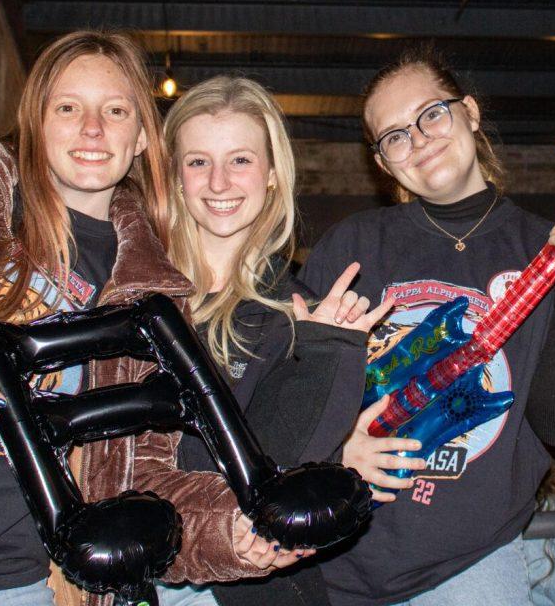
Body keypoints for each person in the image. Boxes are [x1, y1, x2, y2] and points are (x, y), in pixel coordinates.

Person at [0, 31, 281, 604]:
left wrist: (232, 533)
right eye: (68, 107)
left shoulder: (149, 295)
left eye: (116, 111)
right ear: (34, 120)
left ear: (144, 136)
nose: (92, 129)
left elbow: (134, 480)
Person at [298, 47, 555, 606]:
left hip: (470, 568)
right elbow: (292, 398)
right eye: (393, 135)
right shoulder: (353, 246)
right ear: (382, 161)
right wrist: (340, 443)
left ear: (469, 111)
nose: (417, 140)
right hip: (339, 564)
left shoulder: (551, 249)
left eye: (431, 114)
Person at [154, 76, 389, 606]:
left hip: (243, 587)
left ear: (273, 177)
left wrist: (332, 357)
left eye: (240, 160)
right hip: (132, 572)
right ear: (173, 177)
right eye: (197, 162)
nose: (218, 182)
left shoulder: (297, 314)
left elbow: (278, 483)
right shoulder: (133, 290)